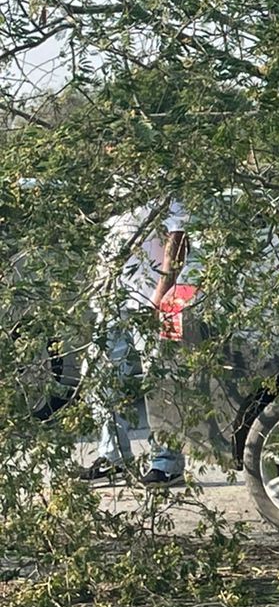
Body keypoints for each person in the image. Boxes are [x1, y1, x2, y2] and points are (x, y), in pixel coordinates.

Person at [75, 193, 191, 487]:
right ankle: (114, 457)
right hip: (113, 300)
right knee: (100, 376)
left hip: (151, 301)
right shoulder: (118, 186)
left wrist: (161, 293)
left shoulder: (164, 183)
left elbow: (176, 238)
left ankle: (167, 463)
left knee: (160, 381)